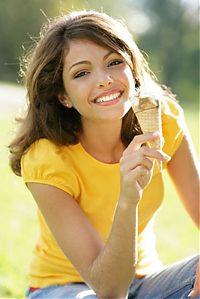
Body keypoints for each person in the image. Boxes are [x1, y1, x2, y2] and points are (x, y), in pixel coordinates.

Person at [9, 10, 199, 299]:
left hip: (148, 283)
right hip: (67, 288)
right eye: (82, 73)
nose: (105, 80)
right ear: (63, 96)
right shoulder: (46, 159)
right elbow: (110, 290)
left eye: (114, 62)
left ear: (132, 70)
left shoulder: (164, 120)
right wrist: (128, 198)